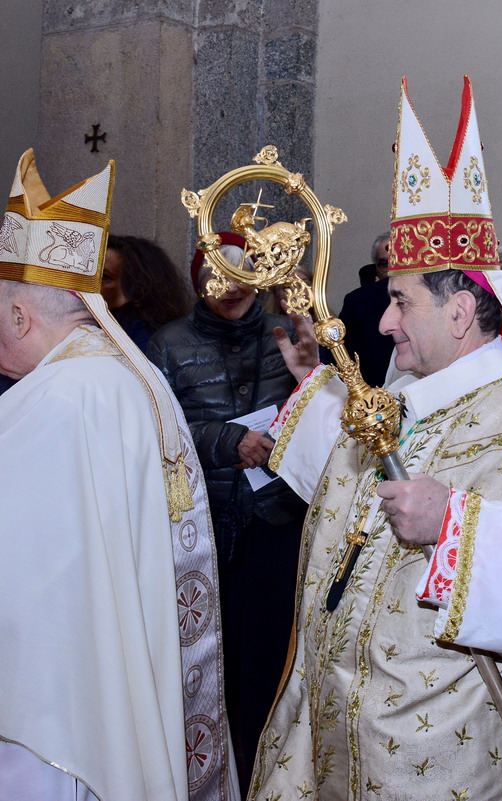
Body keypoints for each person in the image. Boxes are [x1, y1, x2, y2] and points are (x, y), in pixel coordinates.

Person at [247, 76, 502, 800]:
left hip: (447, 742)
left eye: (399, 301)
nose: (383, 323)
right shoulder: (405, 394)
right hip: (348, 721)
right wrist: (315, 384)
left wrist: (454, 523)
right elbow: (349, 489)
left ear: (462, 309)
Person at [0, 150, 233, 799]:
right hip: (111, 691)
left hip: (55, 724)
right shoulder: (126, 377)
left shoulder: (57, 399)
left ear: (20, 316)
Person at [148, 233, 310, 793]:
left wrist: (317, 374)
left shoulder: (288, 334)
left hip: (278, 520)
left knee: (275, 665)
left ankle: (276, 777)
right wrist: (223, 440)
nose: (234, 285)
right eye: (220, 273)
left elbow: (329, 415)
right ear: (199, 281)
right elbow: (153, 432)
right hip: (207, 524)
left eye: (245, 272)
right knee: (215, 667)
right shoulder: (167, 343)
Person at [101, 234, 193, 351]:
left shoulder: (147, 341)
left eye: (104, 276)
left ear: (135, 287)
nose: (92, 283)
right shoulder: (95, 324)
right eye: (91, 275)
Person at [338, 232, 395, 386]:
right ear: (375, 268)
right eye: (386, 264)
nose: (393, 270)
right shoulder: (358, 302)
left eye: (400, 261)